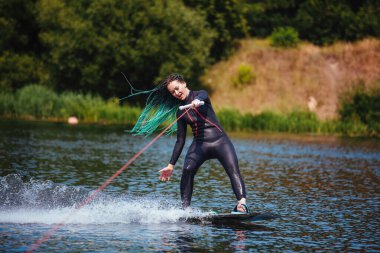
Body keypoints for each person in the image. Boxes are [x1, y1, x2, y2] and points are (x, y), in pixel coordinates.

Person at [129, 73, 249, 213]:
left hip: (220, 141)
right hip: (200, 145)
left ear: (184, 83)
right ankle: (185, 210)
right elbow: (180, 140)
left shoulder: (201, 94)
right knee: (187, 170)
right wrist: (170, 165)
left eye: (177, 88)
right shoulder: (180, 112)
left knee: (233, 169)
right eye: (173, 92)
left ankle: (242, 204)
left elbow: (203, 96)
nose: (176, 92)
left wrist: (197, 101)